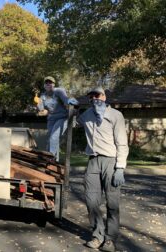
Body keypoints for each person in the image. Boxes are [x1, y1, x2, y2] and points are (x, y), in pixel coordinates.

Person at [77, 86, 129, 252]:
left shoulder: (116, 115)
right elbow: (72, 120)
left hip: (111, 162)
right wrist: (71, 107)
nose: (94, 98)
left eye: (97, 95)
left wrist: (120, 167)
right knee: (91, 201)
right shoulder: (86, 115)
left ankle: (110, 239)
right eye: (91, 96)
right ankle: (97, 235)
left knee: (112, 203)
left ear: (105, 97)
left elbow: (122, 142)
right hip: (93, 161)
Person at [35, 76, 78, 160]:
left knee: (54, 137)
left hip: (62, 118)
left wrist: (69, 101)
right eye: (46, 83)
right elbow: (42, 111)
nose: (48, 84)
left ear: (54, 84)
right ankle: (54, 161)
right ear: (44, 85)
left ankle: (50, 159)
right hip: (51, 119)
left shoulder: (59, 91)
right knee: (51, 141)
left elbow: (65, 100)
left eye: (50, 82)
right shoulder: (42, 96)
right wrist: (38, 106)